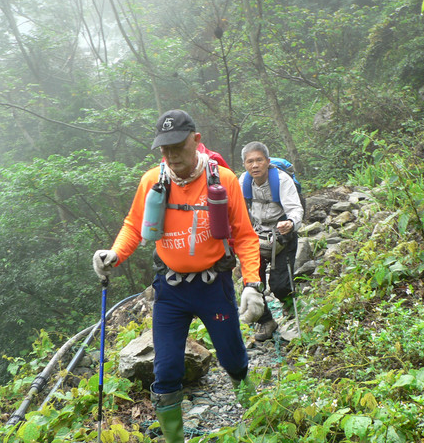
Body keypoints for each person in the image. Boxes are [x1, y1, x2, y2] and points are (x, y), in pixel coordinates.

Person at [92, 109, 265, 443]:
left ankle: (258, 419)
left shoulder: (223, 180)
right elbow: (134, 225)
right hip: (170, 290)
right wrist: (115, 254)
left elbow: (245, 236)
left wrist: (252, 284)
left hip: (213, 286)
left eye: (177, 145)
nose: (171, 154)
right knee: (166, 369)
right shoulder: (152, 181)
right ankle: (174, 439)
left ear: (196, 140)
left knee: (233, 358)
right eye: (164, 148)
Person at [238, 141, 304, 342]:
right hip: (256, 236)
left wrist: (291, 223)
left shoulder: (282, 180)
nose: (255, 165)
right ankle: (266, 321)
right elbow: (237, 210)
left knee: (280, 285)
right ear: (244, 164)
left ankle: (291, 310)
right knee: (253, 284)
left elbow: (295, 208)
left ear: (267, 161)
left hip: (283, 235)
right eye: (250, 161)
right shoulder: (243, 181)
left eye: (259, 160)